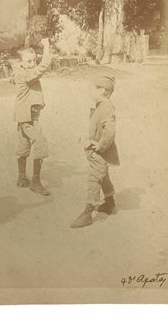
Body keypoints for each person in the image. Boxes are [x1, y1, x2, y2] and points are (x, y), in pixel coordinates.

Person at [70, 75, 120, 228]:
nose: (89, 92)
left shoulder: (105, 106)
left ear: (102, 90)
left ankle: (87, 213)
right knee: (102, 175)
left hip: (100, 151)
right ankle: (110, 203)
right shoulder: (101, 105)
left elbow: (110, 130)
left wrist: (101, 146)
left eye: (92, 89)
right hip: (98, 149)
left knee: (94, 178)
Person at [13, 38, 53, 196]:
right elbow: (42, 68)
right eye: (28, 61)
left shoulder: (22, 72)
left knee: (23, 146)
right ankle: (35, 182)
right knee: (40, 143)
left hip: (25, 116)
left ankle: (22, 177)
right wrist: (47, 48)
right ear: (21, 63)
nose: (32, 64)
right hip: (28, 118)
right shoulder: (26, 74)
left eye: (33, 61)